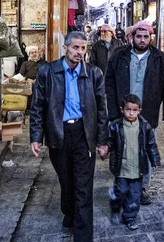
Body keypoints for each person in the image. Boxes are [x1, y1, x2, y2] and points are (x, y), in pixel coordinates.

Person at [29, 31, 108, 241]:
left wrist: (102, 140)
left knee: (83, 186)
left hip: (84, 134)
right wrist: (36, 137)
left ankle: (83, 236)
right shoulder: (48, 71)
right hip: (59, 133)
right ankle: (69, 214)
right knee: (67, 181)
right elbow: (37, 107)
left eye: (83, 48)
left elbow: (101, 109)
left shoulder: (94, 74)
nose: (79, 52)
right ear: (65, 48)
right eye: (75, 47)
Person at [105, 21, 164, 205]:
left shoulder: (161, 58)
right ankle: (121, 185)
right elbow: (109, 84)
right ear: (132, 37)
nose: (142, 40)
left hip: (148, 113)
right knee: (122, 149)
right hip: (123, 112)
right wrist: (113, 111)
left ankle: (142, 187)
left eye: (146, 37)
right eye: (139, 36)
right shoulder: (118, 56)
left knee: (144, 149)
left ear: (150, 37)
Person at [107, 94, 160, 231]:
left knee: (134, 195)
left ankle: (130, 217)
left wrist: (155, 159)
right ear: (122, 109)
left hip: (137, 169)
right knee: (121, 191)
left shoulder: (145, 127)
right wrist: (104, 148)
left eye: (134, 110)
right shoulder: (116, 126)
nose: (131, 113)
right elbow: (110, 142)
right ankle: (115, 205)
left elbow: (151, 145)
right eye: (128, 109)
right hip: (122, 168)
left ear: (139, 110)